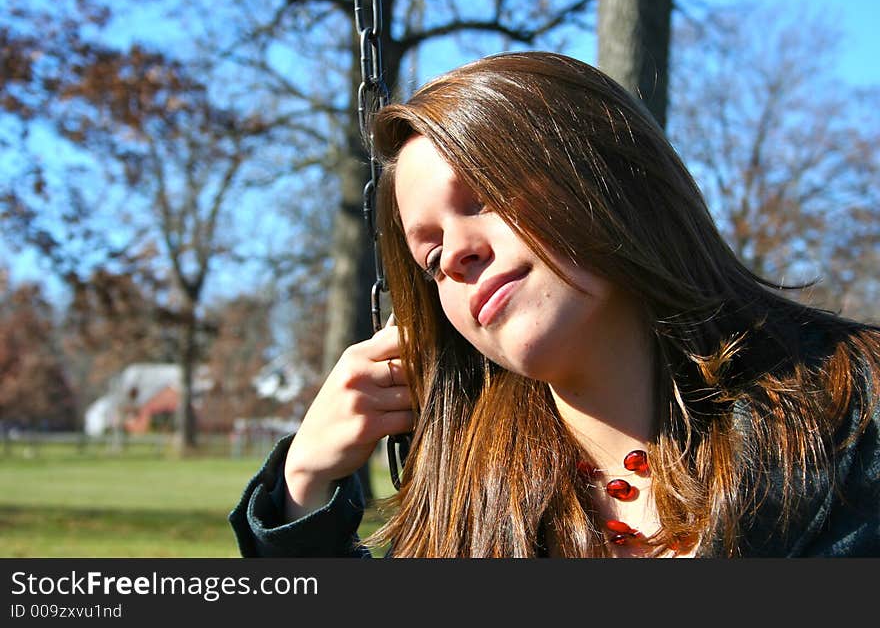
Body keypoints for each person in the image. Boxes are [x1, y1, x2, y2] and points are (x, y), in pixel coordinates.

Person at [229, 51, 880, 557]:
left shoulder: (859, 416)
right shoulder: (470, 509)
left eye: (481, 196)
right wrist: (302, 492)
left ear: (600, 169)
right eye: (430, 257)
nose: (456, 254)